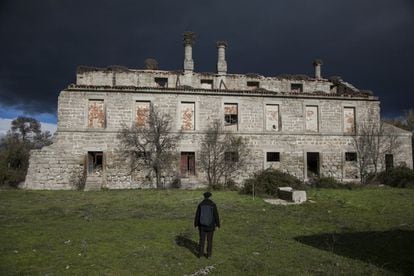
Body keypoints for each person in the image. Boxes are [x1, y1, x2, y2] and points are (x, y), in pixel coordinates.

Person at [194, 191, 220, 258]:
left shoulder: (200, 204)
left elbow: (197, 215)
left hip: (201, 226)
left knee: (202, 240)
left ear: (204, 197)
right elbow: (216, 215)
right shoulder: (213, 204)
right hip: (211, 225)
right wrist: (217, 225)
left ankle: (200, 254)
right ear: (210, 197)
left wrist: (196, 224)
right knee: (210, 240)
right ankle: (209, 255)